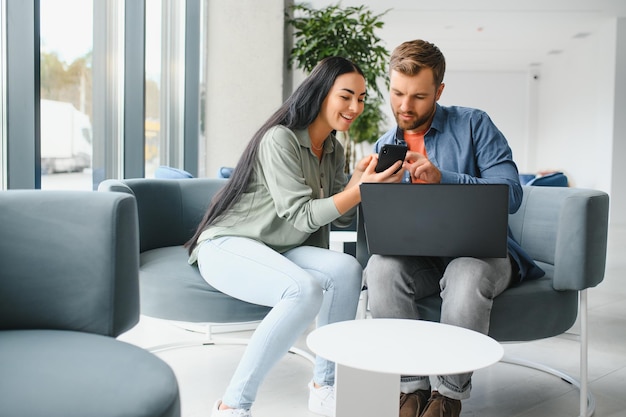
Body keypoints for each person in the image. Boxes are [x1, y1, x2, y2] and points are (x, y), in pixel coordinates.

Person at [185, 56, 403, 417]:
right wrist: (358, 190)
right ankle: (231, 406)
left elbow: (342, 217)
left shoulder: (332, 149)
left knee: (347, 269)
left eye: (362, 99)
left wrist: (357, 183)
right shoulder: (279, 139)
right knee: (303, 290)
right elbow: (300, 214)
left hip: (281, 248)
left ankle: (325, 386)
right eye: (346, 96)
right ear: (320, 93)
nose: (355, 107)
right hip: (229, 244)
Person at [362, 40, 545, 417]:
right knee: (380, 267)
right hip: (422, 258)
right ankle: (410, 388)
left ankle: (447, 395)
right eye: (397, 93)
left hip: (485, 254)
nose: (404, 106)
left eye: (418, 96)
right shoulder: (387, 145)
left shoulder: (475, 124)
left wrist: (445, 179)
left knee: (464, 271)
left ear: (439, 91)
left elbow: (510, 195)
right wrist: (369, 193)